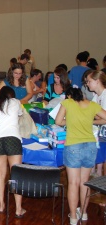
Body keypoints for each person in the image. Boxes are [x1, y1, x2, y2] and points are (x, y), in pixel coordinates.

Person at [55, 87, 106, 225]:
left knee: (73, 183)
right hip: (90, 146)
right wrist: (93, 121)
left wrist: (69, 122)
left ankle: (72, 217)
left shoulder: (68, 103)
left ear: (70, 96)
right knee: (85, 182)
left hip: (73, 146)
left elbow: (58, 121)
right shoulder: (92, 105)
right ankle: (83, 213)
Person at [0, 86, 25, 217]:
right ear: (12, 96)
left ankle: (1, 204)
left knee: (1, 174)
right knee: (16, 175)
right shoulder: (15, 102)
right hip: (13, 139)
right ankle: (18, 209)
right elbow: (20, 115)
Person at [87, 70, 106, 177]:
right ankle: (95, 173)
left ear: (97, 81)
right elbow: (92, 112)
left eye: (89, 81)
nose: (87, 84)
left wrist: (92, 121)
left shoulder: (105, 95)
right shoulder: (96, 96)